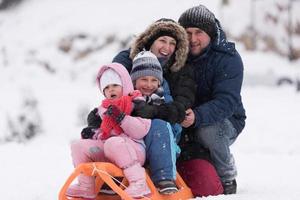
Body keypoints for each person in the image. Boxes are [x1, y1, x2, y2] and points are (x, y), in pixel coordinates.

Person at [86, 19, 196, 194]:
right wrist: (97, 119)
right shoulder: (127, 68)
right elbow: (113, 97)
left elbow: (177, 107)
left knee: (157, 126)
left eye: (172, 43)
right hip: (133, 137)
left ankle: (163, 177)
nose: (167, 47)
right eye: (162, 40)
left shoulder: (167, 84)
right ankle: (110, 176)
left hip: (163, 137)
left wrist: (151, 112)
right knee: (113, 132)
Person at [177, 4, 247, 195]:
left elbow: (227, 101)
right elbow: (149, 48)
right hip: (186, 117)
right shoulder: (178, 52)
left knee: (207, 132)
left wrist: (197, 116)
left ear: (210, 33)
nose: (192, 39)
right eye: (187, 32)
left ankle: (227, 176)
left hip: (227, 119)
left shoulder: (228, 58)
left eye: (198, 32)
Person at [66, 63, 152, 199]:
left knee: (113, 143)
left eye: (115, 85)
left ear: (125, 85)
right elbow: (103, 134)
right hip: (109, 149)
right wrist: (93, 133)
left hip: (134, 150)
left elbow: (141, 130)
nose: (111, 90)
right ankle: (86, 186)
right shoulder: (101, 111)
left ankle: (139, 182)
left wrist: (122, 118)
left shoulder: (137, 103)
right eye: (106, 87)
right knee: (78, 146)